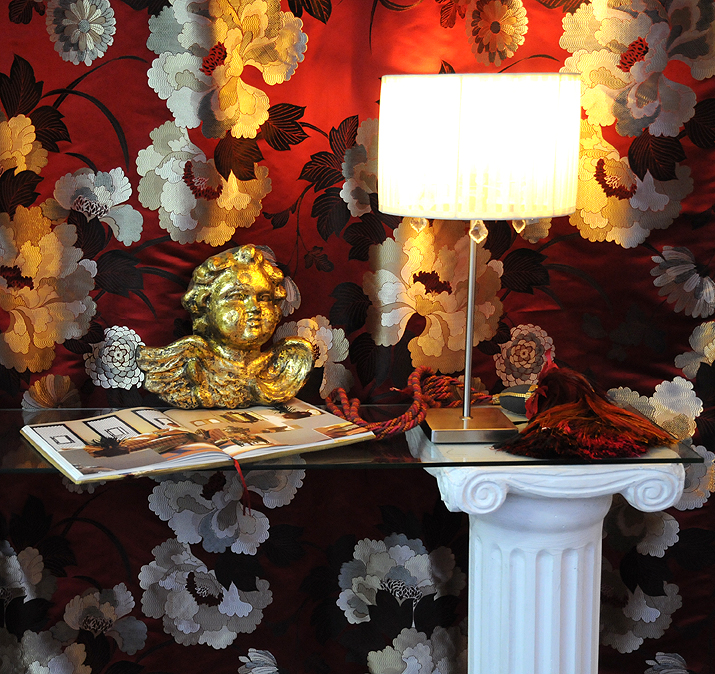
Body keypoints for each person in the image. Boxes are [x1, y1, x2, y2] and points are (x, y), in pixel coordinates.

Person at [137, 245, 314, 408]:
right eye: (237, 296)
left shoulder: (286, 365)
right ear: (206, 304)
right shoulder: (193, 363)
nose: (254, 307)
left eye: (264, 298)